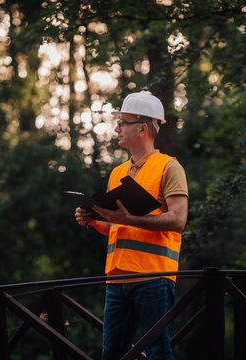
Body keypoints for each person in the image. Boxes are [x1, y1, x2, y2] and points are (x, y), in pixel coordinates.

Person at [75, 92, 188, 360]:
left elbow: (178, 220)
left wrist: (130, 219)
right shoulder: (117, 173)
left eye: (122, 122)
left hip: (154, 278)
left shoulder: (169, 168)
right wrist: (93, 220)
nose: (116, 129)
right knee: (112, 353)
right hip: (117, 279)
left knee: (158, 352)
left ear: (142, 128)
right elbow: (118, 228)